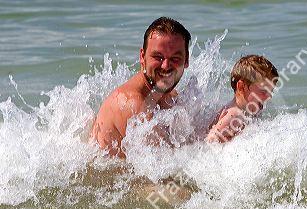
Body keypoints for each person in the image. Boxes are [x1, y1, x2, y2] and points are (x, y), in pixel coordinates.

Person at [91, 17, 191, 158]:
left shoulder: (169, 95)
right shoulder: (132, 103)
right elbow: (162, 172)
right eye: (158, 57)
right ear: (142, 57)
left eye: (175, 59)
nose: (166, 66)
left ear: (186, 60)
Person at [206, 55, 279, 143]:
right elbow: (210, 139)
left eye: (271, 91)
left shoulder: (256, 106)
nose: (269, 96)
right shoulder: (234, 115)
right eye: (263, 91)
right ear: (241, 87)